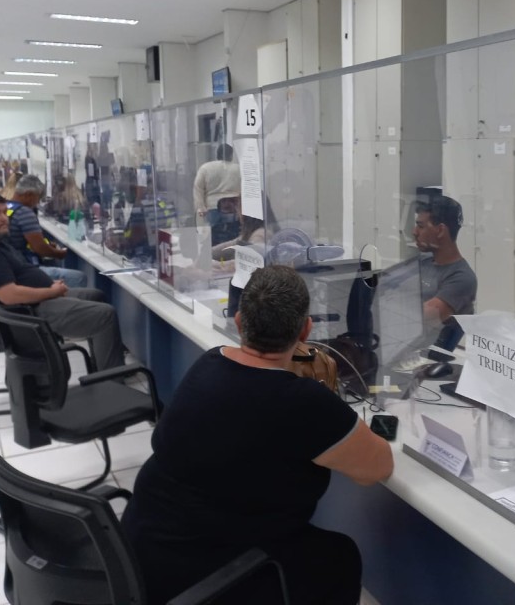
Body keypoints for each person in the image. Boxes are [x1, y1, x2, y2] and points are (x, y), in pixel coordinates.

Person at [122, 265, 393, 605]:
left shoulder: (207, 365)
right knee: (339, 555)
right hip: (204, 579)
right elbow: (377, 468)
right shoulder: (303, 402)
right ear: (306, 330)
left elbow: (252, 403)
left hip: (140, 555)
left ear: (238, 322)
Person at [0, 191, 126, 370]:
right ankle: (112, 378)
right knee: (105, 315)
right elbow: (10, 296)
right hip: (27, 312)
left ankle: (102, 364)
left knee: (96, 295)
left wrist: (49, 286)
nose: (4, 218)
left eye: (4, 212)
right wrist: (51, 291)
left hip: (34, 301)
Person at [412, 195, 478, 351]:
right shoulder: (424, 261)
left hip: (422, 356)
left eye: (421, 226)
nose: (414, 232)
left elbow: (418, 319)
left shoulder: (462, 278)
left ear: (440, 230)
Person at [6, 175, 87, 287]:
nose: (37, 202)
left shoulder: (6, 208)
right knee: (78, 277)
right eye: (37, 198)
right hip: (24, 271)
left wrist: (47, 244)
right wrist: (59, 254)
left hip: (10, 268)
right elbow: (40, 249)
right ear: (28, 195)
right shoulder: (25, 213)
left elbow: (20, 240)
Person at [193, 143, 241, 245]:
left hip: (212, 208)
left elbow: (198, 188)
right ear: (231, 155)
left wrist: (201, 207)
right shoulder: (238, 169)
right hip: (233, 209)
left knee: (212, 238)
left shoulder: (205, 168)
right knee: (233, 238)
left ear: (217, 154)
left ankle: (215, 252)